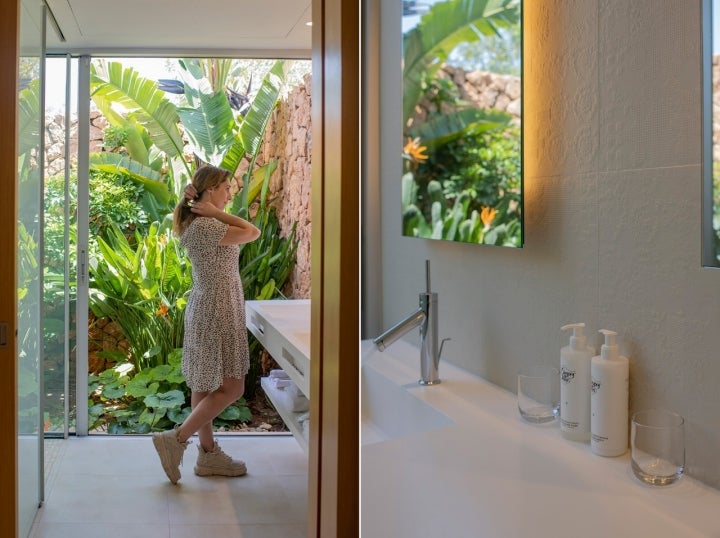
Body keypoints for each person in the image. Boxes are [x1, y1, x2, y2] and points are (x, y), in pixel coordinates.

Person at [152, 164, 260, 484]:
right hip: (217, 310)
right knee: (233, 386)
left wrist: (211, 210)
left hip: (209, 306)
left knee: (203, 384)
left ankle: (208, 455)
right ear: (210, 190)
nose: (230, 193)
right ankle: (177, 440)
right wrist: (218, 212)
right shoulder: (207, 226)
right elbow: (253, 232)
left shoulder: (199, 222)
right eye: (226, 188)